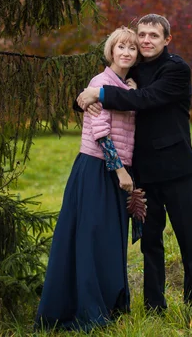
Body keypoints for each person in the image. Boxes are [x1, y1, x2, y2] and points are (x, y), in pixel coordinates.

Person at [77, 14, 192, 315]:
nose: (146, 40)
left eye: (154, 36)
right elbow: (104, 84)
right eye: (142, 35)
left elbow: (146, 98)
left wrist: (102, 95)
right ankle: (153, 307)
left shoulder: (176, 69)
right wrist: (85, 98)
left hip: (177, 170)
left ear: (166, 40)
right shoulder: (131, 69)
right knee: (150, 244)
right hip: (143, 172)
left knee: (189, 240)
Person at [36, 27, 139, 332]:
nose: (126, 53)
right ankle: (87, 310)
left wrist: (131, 91)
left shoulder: (125, 85)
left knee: (111, 240)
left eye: (132, 49)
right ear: (111, 51)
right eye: (121, 47)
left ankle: (111, 304)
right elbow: (101, 131)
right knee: (91, 238)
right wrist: (120, 170)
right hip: (97, 168)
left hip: (116, 168)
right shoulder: (100, 82)